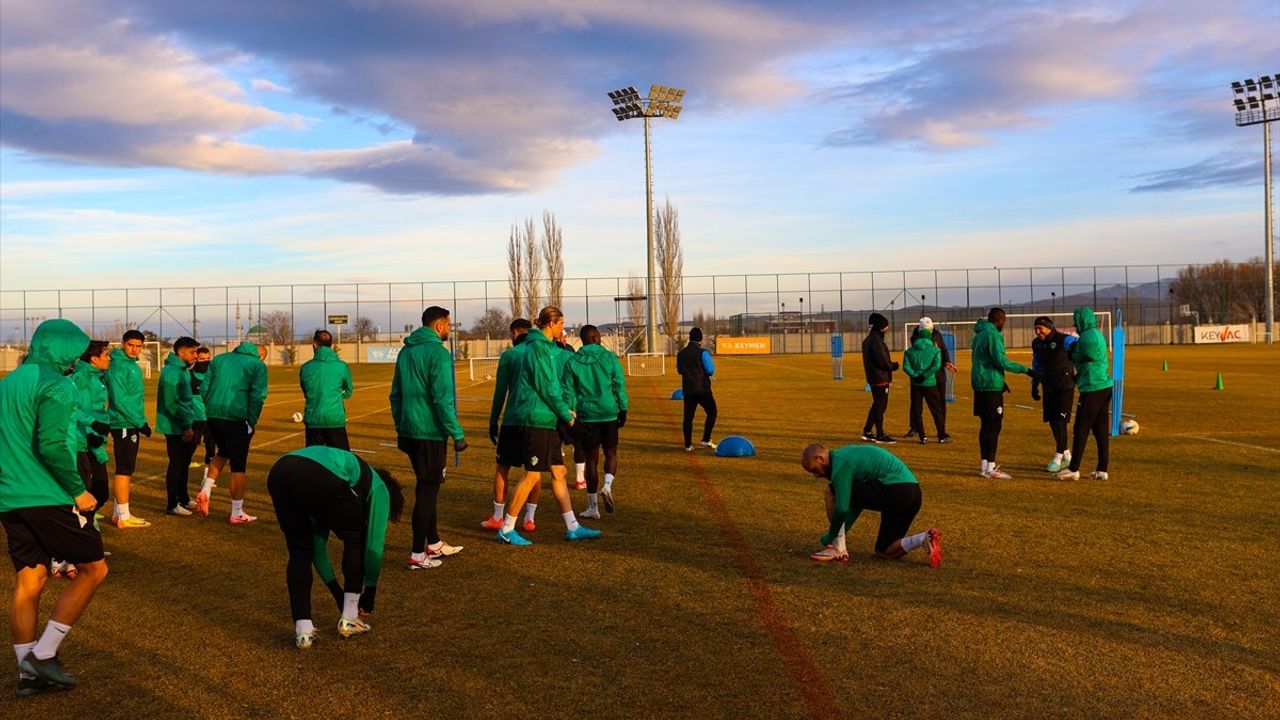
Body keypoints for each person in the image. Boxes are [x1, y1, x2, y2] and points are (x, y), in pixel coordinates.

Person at [0, 319, 109, 696]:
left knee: (30, 580)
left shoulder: (10, 380)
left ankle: (27, 676)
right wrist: (78, 490)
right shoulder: (56, 384)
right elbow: (51, 445)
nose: (75, 362)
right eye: (74, 354)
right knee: (94, 568)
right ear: (64, 350)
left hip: (10, 497)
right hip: (45, 495)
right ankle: (42, 656)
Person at [266, 446, 404, 649]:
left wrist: (337, 593)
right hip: (318, 474)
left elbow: (317, 549)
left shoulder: (347, 479)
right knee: (355, 537)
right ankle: (349, 618)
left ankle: (303, 631)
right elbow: (374, 547)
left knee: (300, 551)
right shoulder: (379, 488)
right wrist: (370, 590)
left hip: (279, 471)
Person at [495, 306, 601, 546]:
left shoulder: (543, 347)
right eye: (561, 325)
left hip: (546, 417)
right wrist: (567, 415)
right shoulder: (538, 349)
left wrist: (564, 410)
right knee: (532, 476)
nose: (563, 330)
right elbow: (546, 388)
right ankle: (507, 527)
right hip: (536, 419)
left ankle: (573, 526)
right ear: (552, 324)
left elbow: (551, 386)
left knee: (559, 472)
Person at [390, 306, 467, 569]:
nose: (450, 328)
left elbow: (395, 395)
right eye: (448, 324)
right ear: (438, 326)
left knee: (427, 485)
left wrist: (401, 427)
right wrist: (457, 433)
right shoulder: (438, 353)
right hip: (431, 433)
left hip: (411, 431)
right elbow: (441, 399)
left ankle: (433, 543)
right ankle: (416, 554)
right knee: (427, 489)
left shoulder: (406, 351)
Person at [800, 443, 941, 567]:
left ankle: (838, 549)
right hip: (914, 494)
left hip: (896, 489)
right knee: (884, 551)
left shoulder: (841, 464)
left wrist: (831, 535)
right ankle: (923, 538)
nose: (816, 476)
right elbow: (857, 503)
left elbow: (843, 508)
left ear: (820, 458)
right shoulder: (846, 456)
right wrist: (840, 530)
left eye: (813, 470)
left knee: (831, 490)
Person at [197, 340, 269, 523]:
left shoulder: (220, 359)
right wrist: (251, 422)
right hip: (236, 418)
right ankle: (237, 511)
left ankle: (205, 490)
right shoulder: (257, 365)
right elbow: (258, 396)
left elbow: (204, 387)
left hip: (213, 415)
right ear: (260, 356)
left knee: (223, 453)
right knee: (238, 465)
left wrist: (210, 407)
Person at [483, 318, 542, 532]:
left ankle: (498, 517)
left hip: (513, 419)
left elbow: (500, 392)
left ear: (515, 333)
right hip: (539, 420)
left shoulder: (510, 355)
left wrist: (493, 420)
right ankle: (529, 519)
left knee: (503, 467)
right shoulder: (543, 352)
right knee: (535, 470)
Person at [564, 325, 628, 518]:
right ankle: (607, 486)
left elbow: (568, 391)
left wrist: (571, 413)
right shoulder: (609, 358)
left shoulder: (572, 361)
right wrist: (623, 408)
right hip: (608, 412)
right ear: (595, 338)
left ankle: (593, 507)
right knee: (611, 453)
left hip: (587, 415)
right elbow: (619, 384)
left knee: (591, 459)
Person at [971, 308, 1034, 479]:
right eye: (1003, 321)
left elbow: (985, 361)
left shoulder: (979, 335)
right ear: (999, 319)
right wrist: (1026, 370)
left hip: (982, 384)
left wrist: (1001, 381)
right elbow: (1001, 360)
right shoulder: (993, 335)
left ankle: (984, 466)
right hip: (990, 386)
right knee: (994, 425)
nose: (1003, 325)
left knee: (985, 425)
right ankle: (991, 469)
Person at [1057, 308, 1114, 481]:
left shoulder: (1089, 336)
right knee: (1100, 430)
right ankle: (1102, 469)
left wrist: (1072, 351)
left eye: (1077, 321)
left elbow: (1087, 355)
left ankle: (1074, 469)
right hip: (1102, 386)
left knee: (1081, 428)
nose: (1076, 325)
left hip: (1093, 388)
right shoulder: (1094, 334)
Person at [104, 329, 151, 528]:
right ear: (123, 344)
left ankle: (118, 513)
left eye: (138, 346)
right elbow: (119, 400)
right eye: (131, 345)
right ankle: (124, 516)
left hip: (129, 422)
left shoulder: (131, 365)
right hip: (123, 423)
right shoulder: (117, 366)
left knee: (127, 468)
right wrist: (140, 423)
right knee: (124, 469)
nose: (134, 349)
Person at [156, 337, 200, 516]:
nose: (195, 356)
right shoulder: (172, 372)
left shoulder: (182, 370)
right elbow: (171, 403)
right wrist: (185, 426)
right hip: (175, 426)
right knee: (176, 463)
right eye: (192, 352)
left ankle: (183, 498)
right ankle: (172, 504)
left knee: (184, 462)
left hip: (184, 423)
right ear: (181, 353)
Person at [1030, 316, 1077, 472]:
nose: (1037, 332)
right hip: (1048, 387)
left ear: (1049, 327)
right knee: (1052, 422)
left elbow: (1081, 355)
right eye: (1035, 328)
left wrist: (1080, 375)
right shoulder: (1037, 344)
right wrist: (1034, 385)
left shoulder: (1065, 340)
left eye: (1040, 328)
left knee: (1060, 422)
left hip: (1065, 387)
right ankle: (1068, 457)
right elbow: (1036, 364)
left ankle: (1057, 458)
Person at [71, 341, 112, 517]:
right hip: (83, 442)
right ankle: (79, 525)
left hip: (94, 440)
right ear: (94, 359)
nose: (110, 358)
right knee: (92, 493)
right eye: (106, 355)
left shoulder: (95, 375)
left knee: (100, 493)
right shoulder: (82, 377)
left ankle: (84, 522)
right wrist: (91, 430)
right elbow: (76, 409)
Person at [300, 330, 354, 450]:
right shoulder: (342, 366)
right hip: (335, 419)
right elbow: (349, 391)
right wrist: (335, 396)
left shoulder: (305, 367)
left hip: (313, 420)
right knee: (340, 461)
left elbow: (306, 392)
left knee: (314, 463)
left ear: (314, 344)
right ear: (331, 344)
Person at [905, 317, 955, 442]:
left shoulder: (938, 335)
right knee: (918, 406)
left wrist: (947, 362)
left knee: (939, 404)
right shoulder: (916, 336)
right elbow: (921, 355)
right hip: (925, 376)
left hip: (935, 376)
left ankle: (941, 430)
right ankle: (915, 428)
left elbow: (943, 350)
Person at [677, 327, 717, 451]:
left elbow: (679, 370)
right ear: (700, 339)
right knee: (712, 412)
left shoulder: (681, 354)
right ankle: (705, 439)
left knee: (688, 418)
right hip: (702, 389)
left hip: (688, 389)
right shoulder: (703, 353)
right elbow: (710, 370)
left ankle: (688, 445)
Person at [901, 327, 945, 443]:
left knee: (917, 410)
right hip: (930, 383)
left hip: (915, 385)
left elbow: (905, 367)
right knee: (936, 410)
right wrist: (925, 375)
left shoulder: (909, 351)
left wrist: (915, 375)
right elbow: (936, 366)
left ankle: (922, 437)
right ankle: (941, 436)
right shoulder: (935, 351)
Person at [860, 313, 898, 444]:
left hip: (873, 378)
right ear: (881, 327)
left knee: (877, 405)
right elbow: (883, 362)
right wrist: (894, 366)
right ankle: (880, 434)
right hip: (880, 378)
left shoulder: (868, 340)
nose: (887, 328)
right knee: (881, 406)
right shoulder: (877, 341)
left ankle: (868, 431)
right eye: (886, 325)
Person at [190, 347, 215, 481]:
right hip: (195, 418)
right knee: (191, 445)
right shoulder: (189, 375)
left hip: (211, 417)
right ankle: (183, 470)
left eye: (207, 359)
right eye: (202, 359)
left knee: (211, 447)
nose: (205, 362)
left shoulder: (213, 375)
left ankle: (207, 477)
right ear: (196, 359)